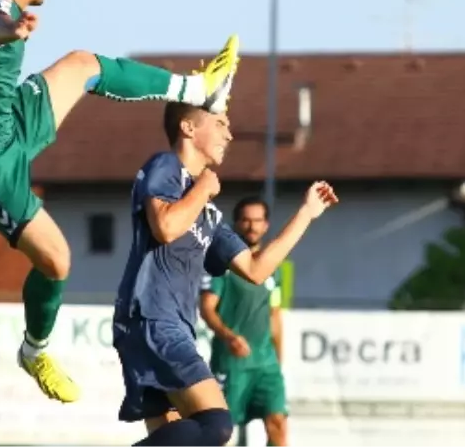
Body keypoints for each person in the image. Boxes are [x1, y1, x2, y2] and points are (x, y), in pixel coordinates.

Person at [0, 0, 240, 404]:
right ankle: (35, 349)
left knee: (82, 64)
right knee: (57, 260)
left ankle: (195, 89)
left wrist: (13, 27)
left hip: (5, 118)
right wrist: (12, 31)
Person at [113, 102, 338, 447]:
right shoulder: (166, 166)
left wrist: (307, 213)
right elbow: (166, 227)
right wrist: (203, 187)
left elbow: (256, 269)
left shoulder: (209, 215)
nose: (229, 134)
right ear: (188, 128)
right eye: (220, 124)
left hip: (172, 327)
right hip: (152, 320)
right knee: (217, 425)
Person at [200, 197, 289, 447]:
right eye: (246, 220)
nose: (252, 226)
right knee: (221, 433)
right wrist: (228, 336)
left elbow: (275, 315)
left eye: (257, 221)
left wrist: (278, 361)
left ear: (266, 225)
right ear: (236, 223)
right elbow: (207, 309)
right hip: (231, 364)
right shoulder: (221, 263)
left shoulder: (275, 268)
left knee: (279, 425)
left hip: (266, 365)